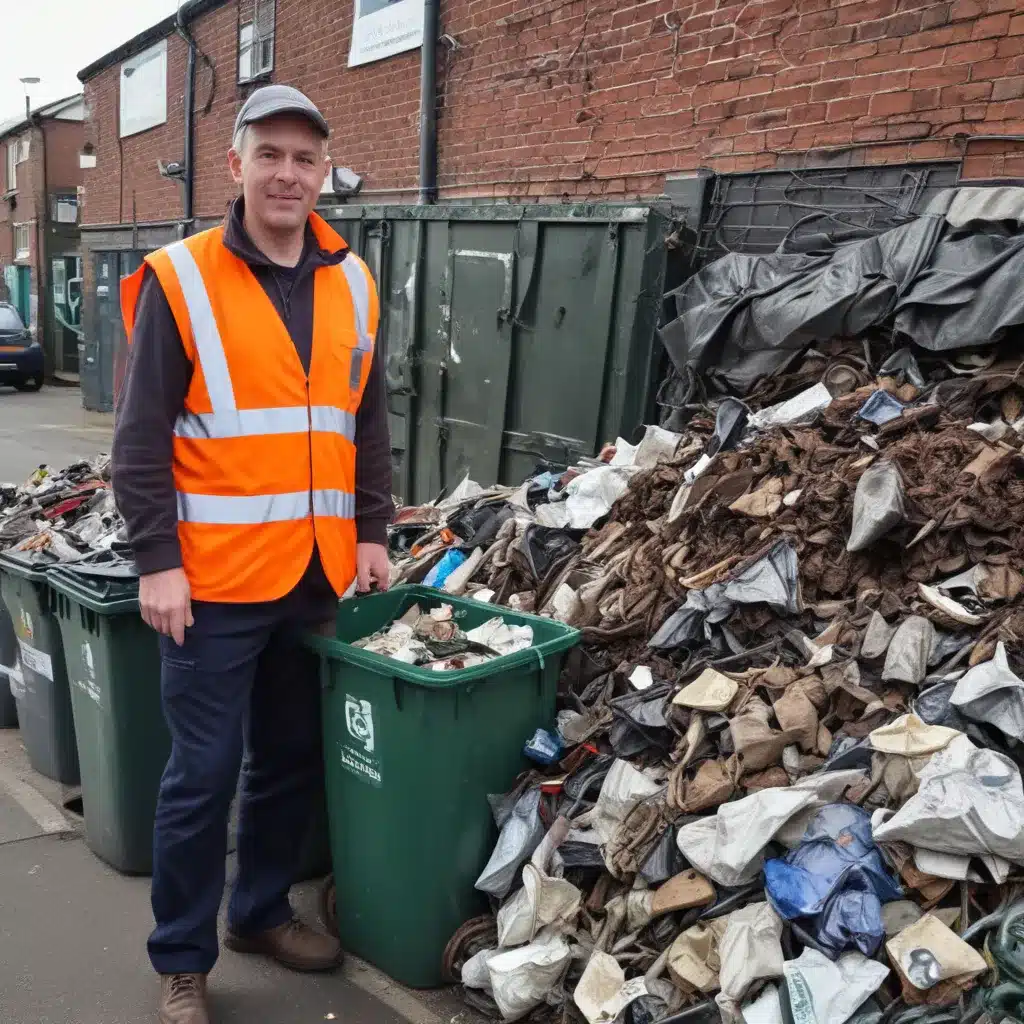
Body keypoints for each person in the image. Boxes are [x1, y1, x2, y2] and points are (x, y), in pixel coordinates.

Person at [113, 84, 393, 1024]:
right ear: (234, 165)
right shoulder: (181, 279)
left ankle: (260, 912)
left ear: (325, 172)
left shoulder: (352, 278)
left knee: (289, 761)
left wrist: (373, 530)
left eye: (304, 159)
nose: (287, 173)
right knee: (202, 772)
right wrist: (157, 561)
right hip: (212, 585)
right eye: (268, 154)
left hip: (312, 573)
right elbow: (141, 438)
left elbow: (367, 418)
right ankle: (181, 960)